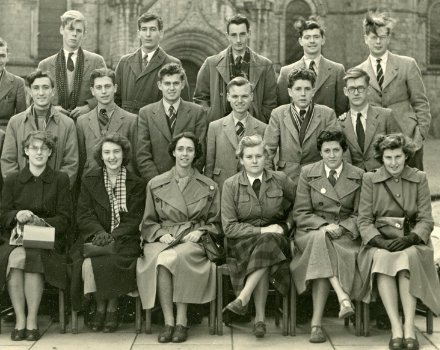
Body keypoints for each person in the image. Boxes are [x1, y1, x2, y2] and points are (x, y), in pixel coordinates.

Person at [0, 131, 74, 342]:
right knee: (16, 259)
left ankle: (32, 320)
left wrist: (40, 222)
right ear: (26, 151)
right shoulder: (13, 179)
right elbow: (3, 214)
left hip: (48, 240)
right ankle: (20, 319)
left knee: (32, 257)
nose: (39, 152)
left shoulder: (60, 179)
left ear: (50, 152)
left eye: (44, 148)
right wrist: (18, 214)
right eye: (34, 148)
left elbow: (65, 219)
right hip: (17, 239)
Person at [356, 133, 439, 350]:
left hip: (412, 243)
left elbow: (426, 219)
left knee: (406, 262)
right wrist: (379, 242)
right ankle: (396, 328)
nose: (393, 163)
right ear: (381, 158)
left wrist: (411, 238)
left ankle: (409, 327)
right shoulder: (369, 179)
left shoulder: (419, 178)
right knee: (383, 261)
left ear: (406, 156)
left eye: (398, 157)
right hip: (379, 243)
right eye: (388, 157)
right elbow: (363, 220)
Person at [136, 132, 220, 344]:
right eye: (180, 149)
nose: (184, 154)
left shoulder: (209, 186)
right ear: (173, 152)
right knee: (163, 260)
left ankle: (181, 321)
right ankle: (169, 322)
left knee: (179, 258)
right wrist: (161, 233)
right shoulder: (155, 183)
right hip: (164, 238)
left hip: (193, 240)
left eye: (189, 150)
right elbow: (148, 222)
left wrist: (201, 232)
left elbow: (216, 222)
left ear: (195, 154)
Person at [290, 128, 366, 343]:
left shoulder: (358, 175)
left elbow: (361, 214)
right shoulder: (308, 172)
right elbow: (301, 213)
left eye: (336, 150)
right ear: (320, 153)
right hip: (311, 233)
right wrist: (323, 225)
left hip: (344, 237)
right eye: (327, 150)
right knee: (320, 241)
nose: (331, 155)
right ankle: (343, 298)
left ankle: (316, 325)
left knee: (322, 250)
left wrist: (342, 227)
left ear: (344, 151)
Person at [219, 135, 296, 339]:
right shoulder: (230, 185)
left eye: (259, 156)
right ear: (241, 159)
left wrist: (286, 225)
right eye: (249, 156)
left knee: (268, 244)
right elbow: (229, 228)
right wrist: (264, 231)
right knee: (265, 247)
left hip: (277, 241)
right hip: (242, 243)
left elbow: (301, 206)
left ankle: (243, 299)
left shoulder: (280, 180)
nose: (254, 161)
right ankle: (259, 318)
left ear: (266, 157)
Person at [70, 133, 147, 333]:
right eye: (107, 152)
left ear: (124, 154)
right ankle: (99, 305)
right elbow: (84, 214)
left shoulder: (136, 183)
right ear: (101, 156)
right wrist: (98, 232)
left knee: (115, 259)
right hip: (94, 236)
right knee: (89, 261)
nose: (112, 157)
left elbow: (135, 218)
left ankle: (111, 308)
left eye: (116, 152)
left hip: (125, 238)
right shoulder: (89, 179)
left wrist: (114, 235)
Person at [356, 12, 432, 171]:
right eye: (373, 37)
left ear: (388, 38)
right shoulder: (358, 72)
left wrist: (417, 140)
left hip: (408, 142)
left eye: (382, 37)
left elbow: (421, 104)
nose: (378, 41)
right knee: (381, 194)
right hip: (376, 148)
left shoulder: (407, 65)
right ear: (365, 39)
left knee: (412, 192)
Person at [194, 14, 277, 123]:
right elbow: (200, 99)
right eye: (233, 35)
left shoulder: (265, 65)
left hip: (253, 130)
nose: (238, 40)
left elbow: (270, 103)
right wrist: (211, 118)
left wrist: (261, 120)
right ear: (227, 36)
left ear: (249, 33)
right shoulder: (211, 63)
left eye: (242, 34)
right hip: (220, 129)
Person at [1, 69, 80, 184]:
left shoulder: (67, 124)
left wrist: (55, 190)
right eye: (36, 88)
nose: (41, 93)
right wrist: (19, 188)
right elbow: (8, 161)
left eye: (45, 87)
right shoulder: (15, 122)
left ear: (53, 91)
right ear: (30, 91)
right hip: (22, 194)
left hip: (55, 194)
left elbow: (71, 164)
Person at [135, 63, 208, 181]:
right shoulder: (146, 113)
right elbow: (142, 154)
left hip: (188, 182)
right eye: (167, 83)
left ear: (182, 84)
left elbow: (201, 152)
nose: (172, 88)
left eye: (176, 83)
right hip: (157, 183)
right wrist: (158, 182)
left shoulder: (196, 112)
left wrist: (186, 180)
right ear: (160, 85)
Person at [264, 68, 340, 181]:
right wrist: (272, 180)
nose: (303, 94)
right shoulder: (278, 114)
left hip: (317, 179)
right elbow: (267, 152)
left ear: (313, 91)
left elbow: (339, 149)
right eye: (298, 89)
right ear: (290, 92)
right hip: (286, 180)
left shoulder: (327, 114)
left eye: (307, 89)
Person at [114, 12, 192, 113]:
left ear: (161, 33)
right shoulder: (124, 62)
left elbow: (182, 103)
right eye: (144, 29)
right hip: (128, 124)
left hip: (156, 124)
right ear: (138, 33)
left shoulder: (172, 63)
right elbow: (114, 99)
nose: (148, 34)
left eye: (153, 29)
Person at [37, 10, 108, 120]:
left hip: (87, 123)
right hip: (55, 122)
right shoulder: (45, 65)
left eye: (79, 31)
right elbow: (37, 96)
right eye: (70, 29)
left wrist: (88, 107)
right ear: (62, 30)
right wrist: (52, 108)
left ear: (84, 34)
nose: (74, 34)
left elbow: (107, 92)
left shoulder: (96, 61)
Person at [276, 19, 348, 116]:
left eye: (316, 37)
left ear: (323, 40)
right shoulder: (286, 72)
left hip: (327, 128)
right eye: (307, 37)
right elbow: (282, 109)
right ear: (300, 41)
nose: (312, 41)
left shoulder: (337, 70)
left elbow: (342, 109)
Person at [76, 68, 139, 180]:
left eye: (107, 86)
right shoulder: (82, 121)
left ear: (115, 88)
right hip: (91, 181)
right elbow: (81, 158)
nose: (104, 91)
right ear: (92, 91)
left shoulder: (131, 120)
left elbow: (134, 158)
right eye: (99, 87)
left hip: (122, 180)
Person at [204, 77, 267, 186]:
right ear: (228, 97)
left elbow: (265, 164)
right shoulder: (215, 127)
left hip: (251, 189)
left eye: (244, 96)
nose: (239, 101)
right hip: (222, 187)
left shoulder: (263, 128)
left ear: (251, 97)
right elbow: (209, 166)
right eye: (235, 96)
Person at [338, 68, 401, 171]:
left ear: (368, 90)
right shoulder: (340, 123)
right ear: (346, 92)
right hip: (355, 181)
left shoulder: (386, 116)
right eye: (352, 89)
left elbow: (399, 149)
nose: (356, 93)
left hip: (383, 178)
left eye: (360, 88)